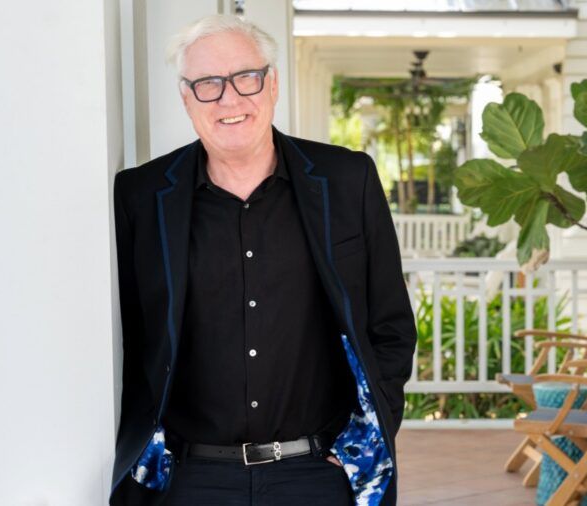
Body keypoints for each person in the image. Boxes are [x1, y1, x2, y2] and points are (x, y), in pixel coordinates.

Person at [108, 13, 416, 506]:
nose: (229, 99)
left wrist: (357, 447)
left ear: (271, 85)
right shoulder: (142, 196)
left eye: (245, 78)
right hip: (191, 480)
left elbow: (391, 325)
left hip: (316, 475)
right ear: (187, 98)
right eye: (208, 84)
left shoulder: (346, 180)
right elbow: (129, 334)